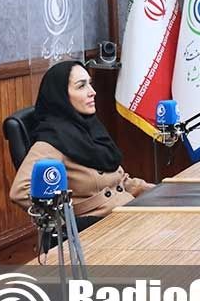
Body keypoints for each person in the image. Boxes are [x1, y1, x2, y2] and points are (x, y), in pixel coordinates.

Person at [10, 60, 152, 217]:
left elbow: (118, 181)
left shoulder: (90, 127)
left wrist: (157, 190)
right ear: (61, 96)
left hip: (127, 210)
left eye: (90, 84)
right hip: (99, 223)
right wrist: (67, 217)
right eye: (81, 86)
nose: (92, 92)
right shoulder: (52, 140)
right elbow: (20, 191)